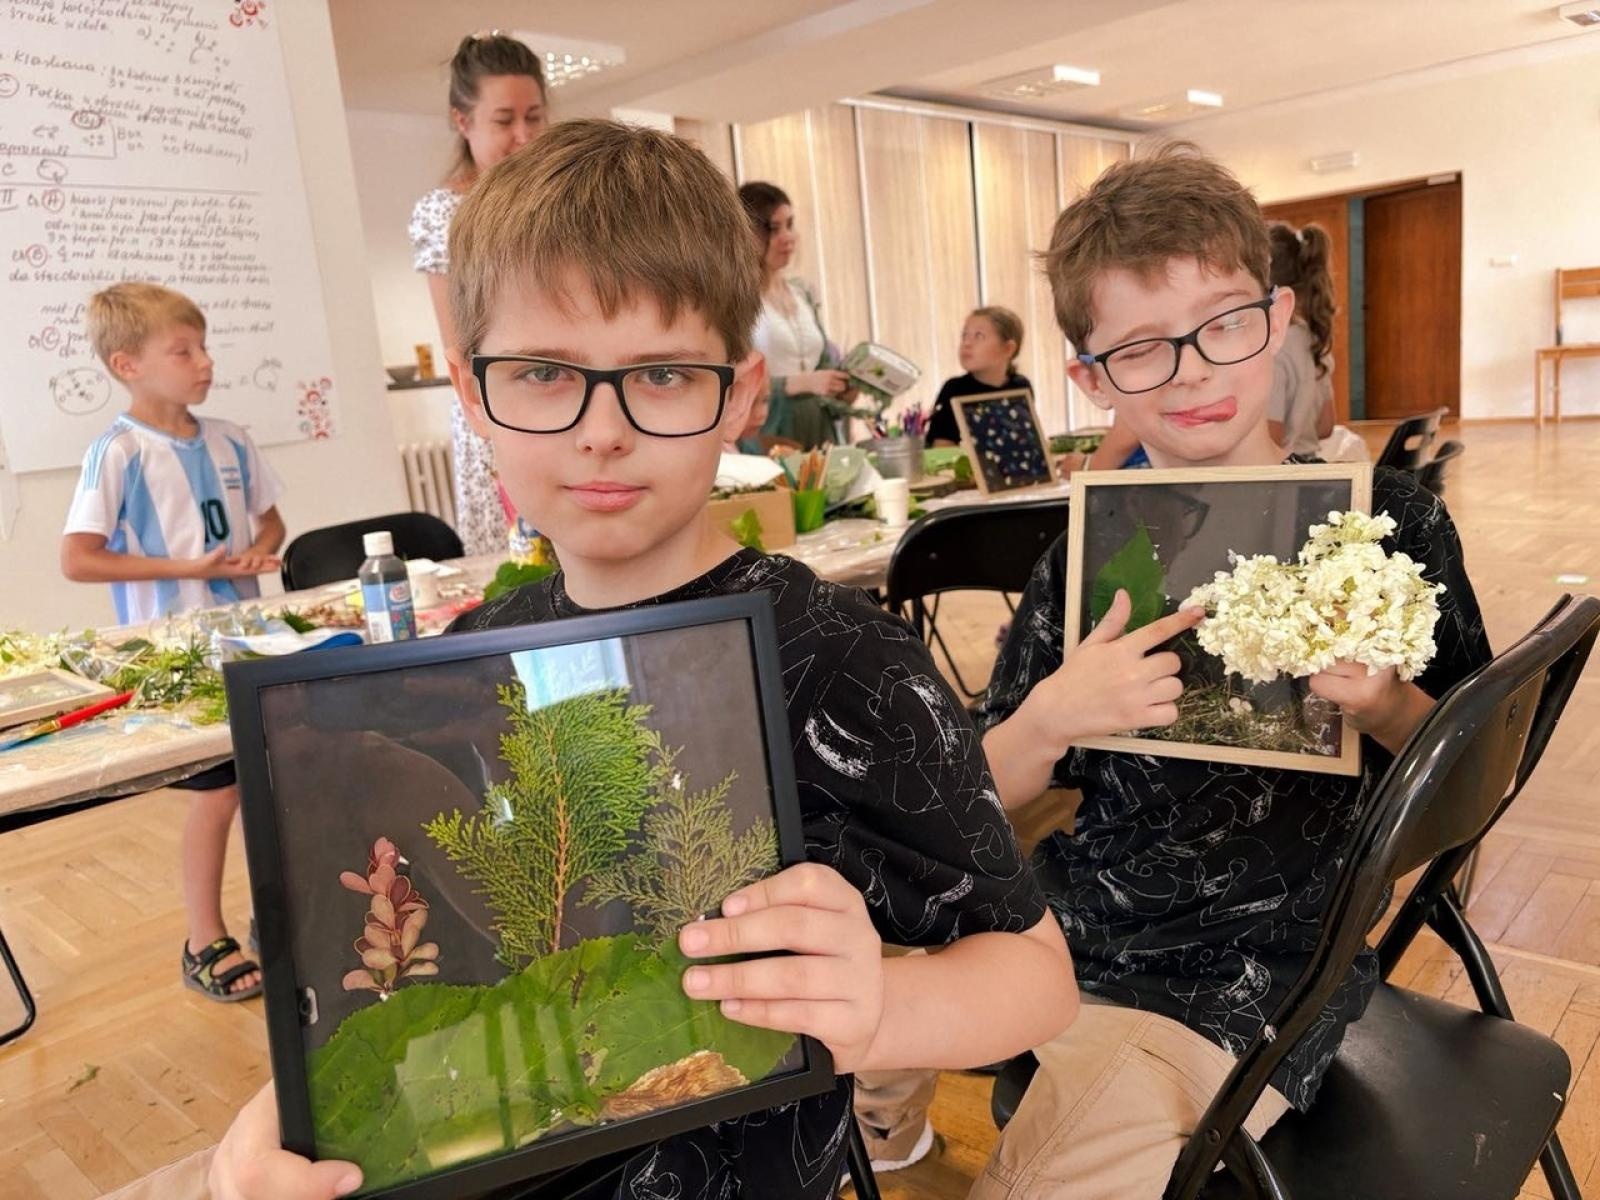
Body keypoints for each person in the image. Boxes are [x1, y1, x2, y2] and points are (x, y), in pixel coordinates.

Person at [107, 120, 1078, 1200]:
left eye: (660, 374)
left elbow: (1035, 978)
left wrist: (880, 1013)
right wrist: (295, 1112)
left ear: (742, 393)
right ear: (473, 395)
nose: (600, 432)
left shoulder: (839, 663)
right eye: (541, 374)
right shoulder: (479, 645)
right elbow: (403, 975)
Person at [967, 144, 1491, 1198]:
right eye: (1140, 349)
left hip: (1242, 970)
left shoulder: (1388, 523)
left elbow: (1475, 768)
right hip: (1061, 922)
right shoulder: (1082, 555)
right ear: (1088, 377)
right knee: (806, 1025)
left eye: (1223, 323)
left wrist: (1385, 700)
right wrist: (1051, 717)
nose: (1194, 369)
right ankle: (888, 1124)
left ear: (1278, 315)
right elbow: (973, 796)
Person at [61, 281, 286, 1004]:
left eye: (203, 347)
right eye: (182, 350)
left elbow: (269, 521)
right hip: (176, 656)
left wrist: (260, 552)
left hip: (246, 641)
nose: (203, 362)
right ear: (127, 364)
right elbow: (79, 557)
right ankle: (201, 936)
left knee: (266, 785)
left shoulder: (231, 440)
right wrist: (188, 568)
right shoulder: (118, 452)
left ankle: (273, 916)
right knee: (215, 792)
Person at [409, 32, 549, 555]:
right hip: (498, 407)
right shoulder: (443, 213)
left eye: (534, 117)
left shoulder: (560, 203)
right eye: (504, 119)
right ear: (462, 121)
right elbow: (461, 344)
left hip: (573, 395)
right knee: (519, 569)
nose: (523, 135)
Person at [739, 182, 855, 450]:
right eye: (774, 228)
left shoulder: (803, 293)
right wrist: (803, 383)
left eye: (790, 225)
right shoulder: (737, 301)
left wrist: (845, 384)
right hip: (770, 430)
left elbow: (824, 364)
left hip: (819, 427)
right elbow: (736, 379)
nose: (787, 237)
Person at [1267, 222, 1337, 457]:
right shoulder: (1314, 338)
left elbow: (1271, 444)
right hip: (1311, 466)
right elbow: (1325, 427)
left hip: (1285, 482)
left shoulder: (1272, 351)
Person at [924, 307, 1032, 448]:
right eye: (964, 336)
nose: (967, 343)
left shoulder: (1021, 386)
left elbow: (1026, 439)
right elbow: (941, 445)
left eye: (979, 336)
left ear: (1008, 349)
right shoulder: (954, 389)